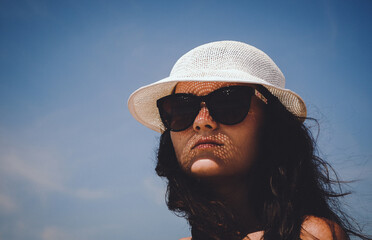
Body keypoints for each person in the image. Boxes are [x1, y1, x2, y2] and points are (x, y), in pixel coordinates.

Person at [128, 41, 370, 240]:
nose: (202, 122)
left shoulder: (311, 236)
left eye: (228, 104)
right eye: (181, 109)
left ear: (272, 125)